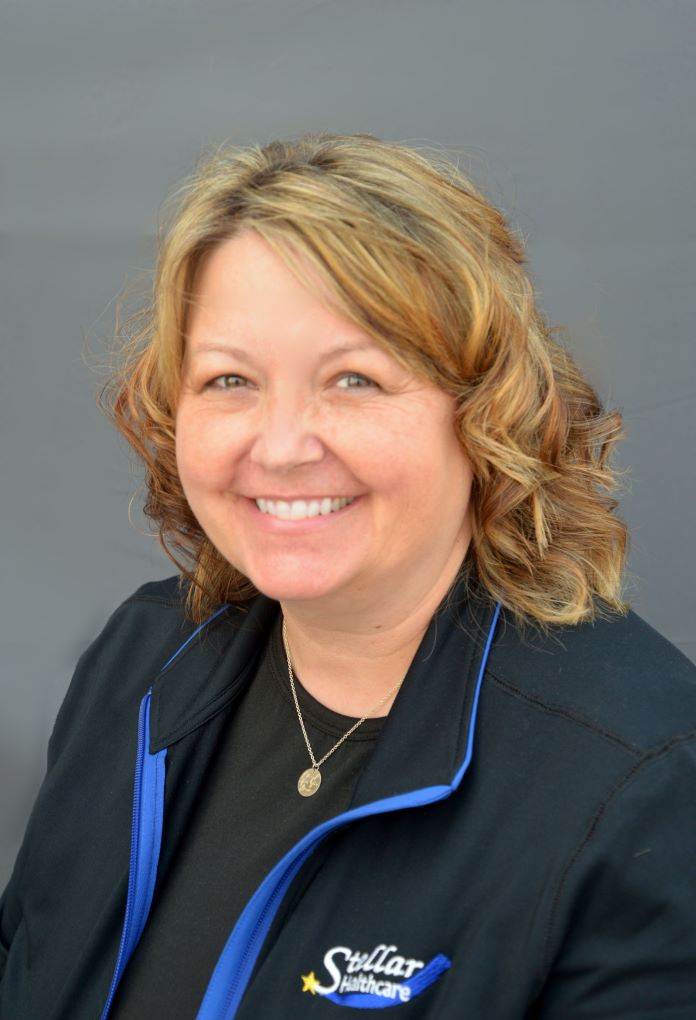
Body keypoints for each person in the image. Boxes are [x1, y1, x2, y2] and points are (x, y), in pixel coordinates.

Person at [1, 132, 694, 1020]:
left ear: (487, 412)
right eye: (228, 380)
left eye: (355, 380)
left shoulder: (645, 779)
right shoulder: (144, 660)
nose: (282, 446)